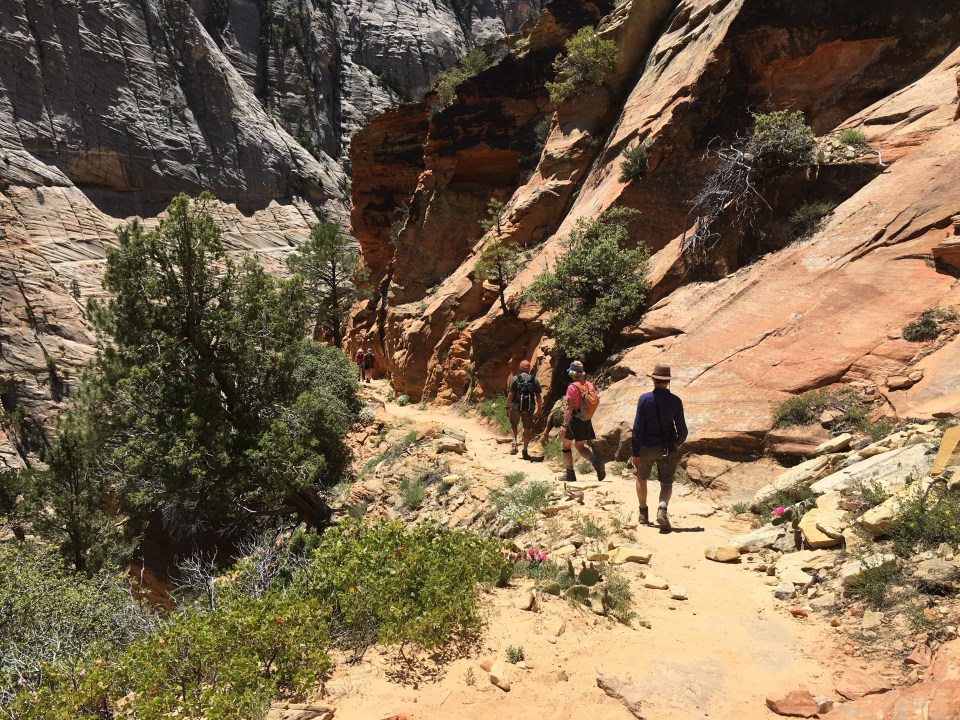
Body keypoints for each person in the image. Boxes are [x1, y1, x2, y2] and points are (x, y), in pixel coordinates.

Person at [629, 364, 687, 530]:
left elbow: (637, 428)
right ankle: (662, 508)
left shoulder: (644, 399)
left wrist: (635, 452)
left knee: (641, 478)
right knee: (666, 483)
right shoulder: (676, 401)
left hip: (646, 447)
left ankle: (642, 513)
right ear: (668, 382)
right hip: (667, 448)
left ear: (653, 379)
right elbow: (682, 430)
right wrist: (676, 443)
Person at [558, 361, 605, 482]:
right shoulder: (589, 385)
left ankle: (570, 474)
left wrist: (564, 425)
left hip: (575, 419)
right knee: (580, 446)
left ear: (572, 373)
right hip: (586, 419)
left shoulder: (572, 387)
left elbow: (569, 407)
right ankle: (596, 463)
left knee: (566, 446)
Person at [506, 359, 542, 459]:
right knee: (527, 430)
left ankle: (514, 444)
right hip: (529, 408)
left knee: (514, 425)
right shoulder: (534, 380)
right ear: (529, 369)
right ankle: (525, 451)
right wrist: (539, 409)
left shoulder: (515, 379)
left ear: (520, 368)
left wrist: (507, 407)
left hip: (516, 406)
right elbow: (538, 396)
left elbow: (511, 394)